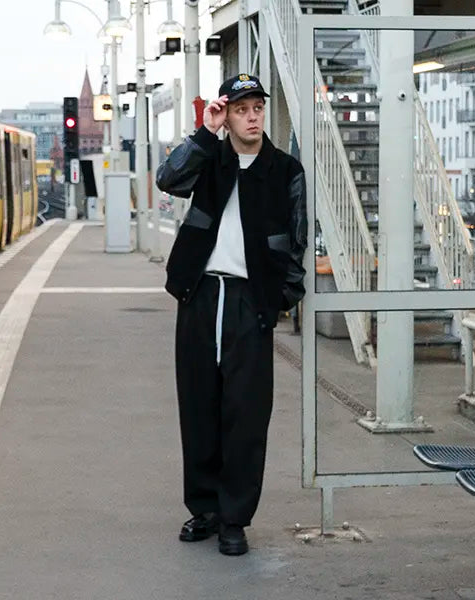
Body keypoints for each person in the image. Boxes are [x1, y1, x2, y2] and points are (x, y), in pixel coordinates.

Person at [155, 73, 306, 557]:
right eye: (241, 109)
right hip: (200, 296)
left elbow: (298, 239)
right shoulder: (210, 158)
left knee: (245, 412)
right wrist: (206, 131)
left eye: (257, 107)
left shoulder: (284, 170)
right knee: (199, 405)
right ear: (227, 113)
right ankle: (205, 509)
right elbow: (168, 178)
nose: (252, 115)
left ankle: (235, 517)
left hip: (249, 301)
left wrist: (283, 297)